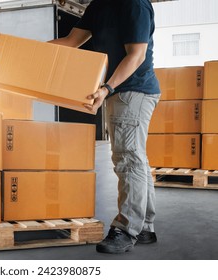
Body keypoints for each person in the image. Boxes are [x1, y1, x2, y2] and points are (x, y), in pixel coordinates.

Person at [49, 0, 161, 254]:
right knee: (135, 158)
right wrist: (27, 51)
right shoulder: (98, 5)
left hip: (134, 90)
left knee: (127, 159)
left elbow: (137, 55)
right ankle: (144, 226)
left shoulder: (134, 4)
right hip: (118, 90)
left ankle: (126, 229)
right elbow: (70, 41)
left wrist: (107, 88)